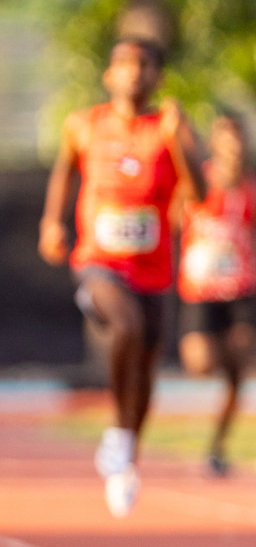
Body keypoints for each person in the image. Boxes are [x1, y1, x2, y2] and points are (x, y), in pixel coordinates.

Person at [39, 37, 202, 517]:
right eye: (125, 64)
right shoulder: (84, 125)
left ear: (157, 77)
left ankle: (128, 450)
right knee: (125, 326)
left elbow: (197, 189)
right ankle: (116, 429)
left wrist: (183, 137)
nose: (134, 73)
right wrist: (52, 221)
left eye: (144, 65)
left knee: (148, 367)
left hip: (152, 269)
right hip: (99, 262)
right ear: (109, 75)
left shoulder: (167, 129)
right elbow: (64, 170)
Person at [176, 113, 256, 476]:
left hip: (241, 289)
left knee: (239, 368)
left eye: (238, 139)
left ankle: (217, 445)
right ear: (215, 143)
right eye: (226, 138)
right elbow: (174, 217)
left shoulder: (250, 191)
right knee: (201, 362)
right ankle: (226, 364)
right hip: (201, 291)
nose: (234, 146)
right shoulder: (196, 183)